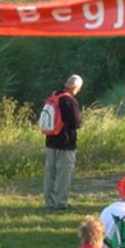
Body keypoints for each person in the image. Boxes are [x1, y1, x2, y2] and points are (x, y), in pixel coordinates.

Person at [44, 75, 84, 210]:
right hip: (65, 143)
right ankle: (60, 203)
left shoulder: (54, 95)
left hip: (50, 141)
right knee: (64, 175)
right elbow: (77, 123)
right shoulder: (69, 100)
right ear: (75, 87)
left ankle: (49, 202)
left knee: (50, 174)